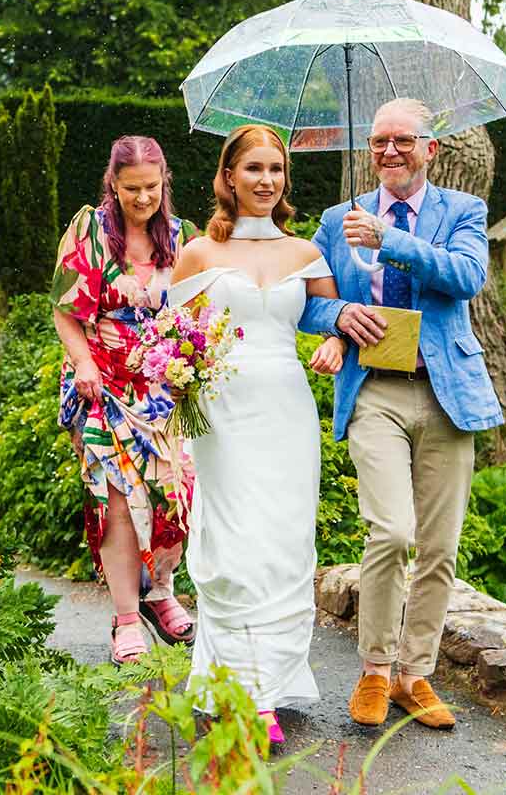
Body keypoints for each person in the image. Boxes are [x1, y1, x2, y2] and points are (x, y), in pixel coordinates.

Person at [303, 98, 504, 731]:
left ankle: (414, 675)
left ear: (430, 149)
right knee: (390, 531)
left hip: (445, 392)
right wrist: (336, 320)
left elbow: (468, 276)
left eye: (404, 141)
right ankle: (372, 669)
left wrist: (391, 240)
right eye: (380, 140)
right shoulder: (338, 220)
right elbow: (302, 296)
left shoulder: (462, 212)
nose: (390, 150)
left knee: (440, 546)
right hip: (375, 391)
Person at [167, 124, 347, 747]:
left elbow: (332, 318)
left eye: (275, 169)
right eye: (253, 169)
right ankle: (237, 689)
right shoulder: (198, 255)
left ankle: (268, 684)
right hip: (223, 415)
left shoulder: (305, 255)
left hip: (288, 413)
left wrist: (333, 341)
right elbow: (168, 337)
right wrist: (178, 374)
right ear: (228, 178)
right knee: (236, 548)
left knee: (284, 547)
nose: (265, 180)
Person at [52, 135, 201, 665]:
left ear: (165, 183)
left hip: (167, 390)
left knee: (175, 498)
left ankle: (161, 592)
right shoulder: (90, 230)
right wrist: (85, 363)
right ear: (112, 184)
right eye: (132, 188)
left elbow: (200, 312)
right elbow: (66, 312)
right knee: (116, 501)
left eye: (152, 188)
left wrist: (196, 361)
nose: (143, 199)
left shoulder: (184, 238)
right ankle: (124, 618)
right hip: (103, 386)